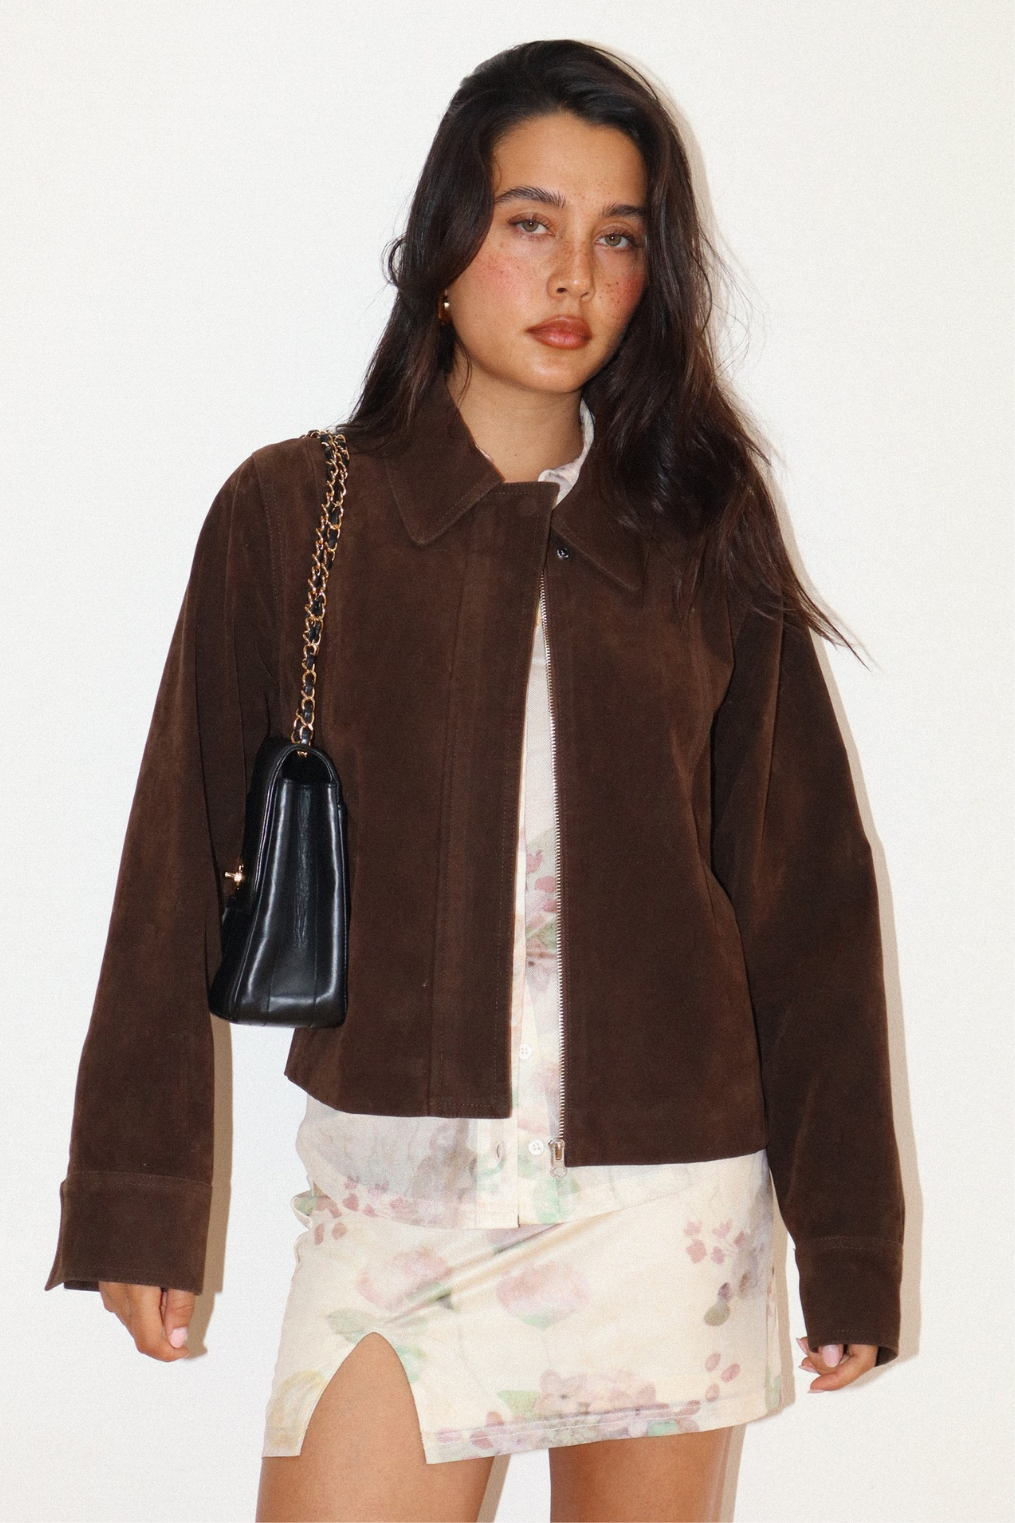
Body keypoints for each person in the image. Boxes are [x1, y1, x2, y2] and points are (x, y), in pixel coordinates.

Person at [47, 39, 905, 1523]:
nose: (573, 275)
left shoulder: (702, 529)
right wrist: (140, 1196)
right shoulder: (295, 510)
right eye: (528, 222)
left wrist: (847, 1236)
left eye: (617, 238)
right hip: (396, 1196)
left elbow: (804, 891)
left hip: (666, 1201)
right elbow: (173, 859)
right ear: (444, 241)